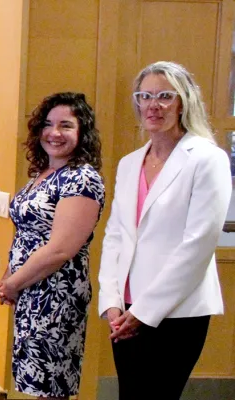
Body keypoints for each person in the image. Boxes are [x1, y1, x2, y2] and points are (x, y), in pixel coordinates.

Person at [98, 61, 230, 399]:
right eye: (145, 96)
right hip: (125, 309)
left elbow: (197, 245)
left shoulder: (207, 159)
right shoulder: (130, 163)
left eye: (164, 96)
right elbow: (116, 235)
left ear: (183, 102)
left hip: (177, 311)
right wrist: (111, 300)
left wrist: (144, 312)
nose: (153, 105)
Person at [0, 92, 104, 399]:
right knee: (34, 383)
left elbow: (60, 250)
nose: (54, 133)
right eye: (48, 124)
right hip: (31, 289)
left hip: (56, 293)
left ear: (82, 132)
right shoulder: (41, 175)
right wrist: (9, 277)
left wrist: (13, 283)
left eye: (66, 126)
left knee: (51, 385)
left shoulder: (81, 179)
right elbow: (26, 234)